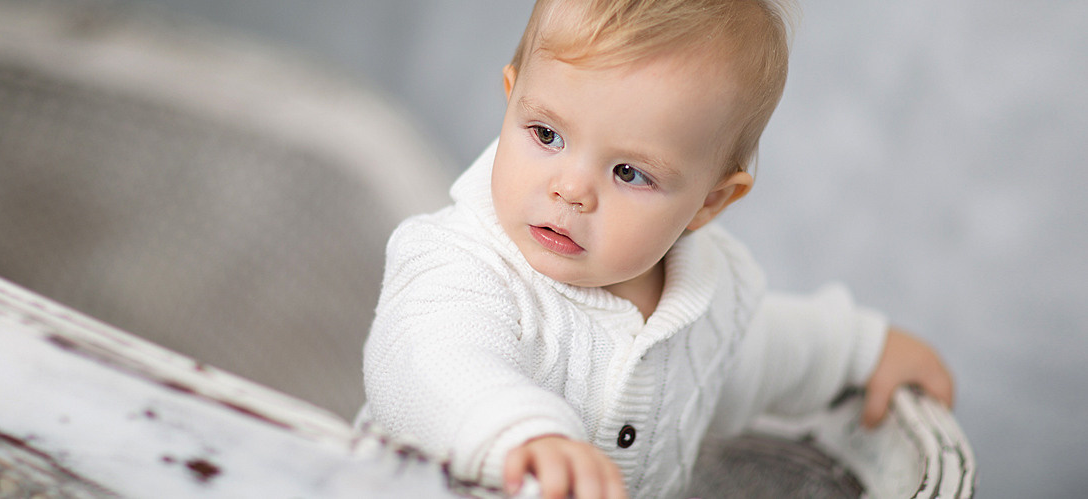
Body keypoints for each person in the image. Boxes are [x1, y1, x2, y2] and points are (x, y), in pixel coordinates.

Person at [358, 0, 954, 497]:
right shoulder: (458, 263)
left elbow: (768, 351)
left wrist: (861, 348)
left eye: (628, 173)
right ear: (512, 97)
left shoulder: (709, 302)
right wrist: (526, 435)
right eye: (546, 135)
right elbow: (432, 365)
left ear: (709, 203)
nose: (570, 189)